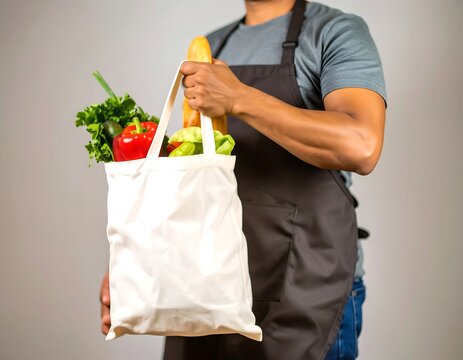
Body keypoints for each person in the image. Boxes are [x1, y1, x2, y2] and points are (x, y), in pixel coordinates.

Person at [100, 0, 386, 359]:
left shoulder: (334, 32)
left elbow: (361, 145)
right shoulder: (211, 46)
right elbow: (190, 174)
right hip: (205, 285)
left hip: (309, 282)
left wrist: (237, 97)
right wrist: (137, 256)